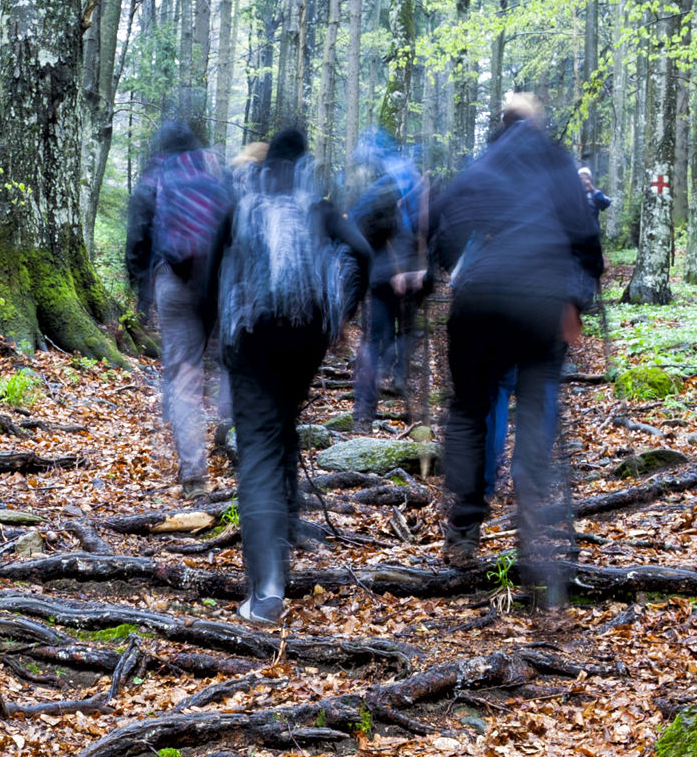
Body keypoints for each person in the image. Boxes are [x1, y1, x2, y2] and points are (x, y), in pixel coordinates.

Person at [432, 91, 603, 610]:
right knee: (537, 395)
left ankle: (464, 523)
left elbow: (444, 226)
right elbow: (587, 239)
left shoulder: (482, 165)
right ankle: (531, 508)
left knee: (468, 406)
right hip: (542, 302)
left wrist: (445, 265)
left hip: (480, 296)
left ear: (500, 125)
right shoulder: (556, 163)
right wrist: (576, 298)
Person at [214, 121, 371, 622]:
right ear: (305, 164)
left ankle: (266, 591)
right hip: (304, 338)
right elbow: (363, 254)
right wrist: (340, 310)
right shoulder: (319, 209)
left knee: (259, 444)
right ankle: (284, 542)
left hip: (250, 336)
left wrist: (207, 338)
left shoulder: (242, 209)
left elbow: (208, 275)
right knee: (282, 431)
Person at [120, 108, 234, 495]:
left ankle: (194, 475)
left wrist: (141, 287)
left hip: (174, 281)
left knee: (185, 375)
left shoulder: (155, 179)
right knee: (219, 363)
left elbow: (138, 236)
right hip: (216, 286)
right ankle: (229, 433)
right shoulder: (214, 183)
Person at [347, 127, 433, 432]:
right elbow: (432, 231)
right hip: (405, 274)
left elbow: (357, 229)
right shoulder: (415, 186)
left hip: (386, 274)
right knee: (404, 333)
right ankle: (389, 394)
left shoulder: (378, 186)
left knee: (378, 340)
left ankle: (364, 415)